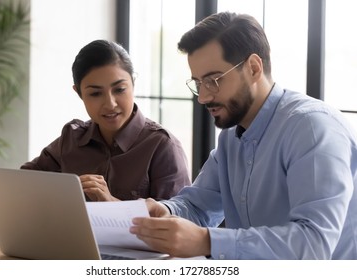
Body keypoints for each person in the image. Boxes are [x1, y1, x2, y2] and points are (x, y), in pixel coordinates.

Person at [129, 11, 357, 259]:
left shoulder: (311, 129)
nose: (203, 97)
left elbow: (313, 243)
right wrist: (164, 211)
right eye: (198, 83)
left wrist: (208, 242)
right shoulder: (231, 137)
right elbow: (198, 205)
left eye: (214, 80)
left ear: (253, 68)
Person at [21, 40, 190, 201]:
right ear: (79, 93)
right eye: (95, 93)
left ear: (133, 84)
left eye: (119, 89)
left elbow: (174, 224)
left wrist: (112, 204)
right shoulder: (71, 139)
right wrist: (64, 192)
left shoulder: (162, 146)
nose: (110, 104)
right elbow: (21, 183)